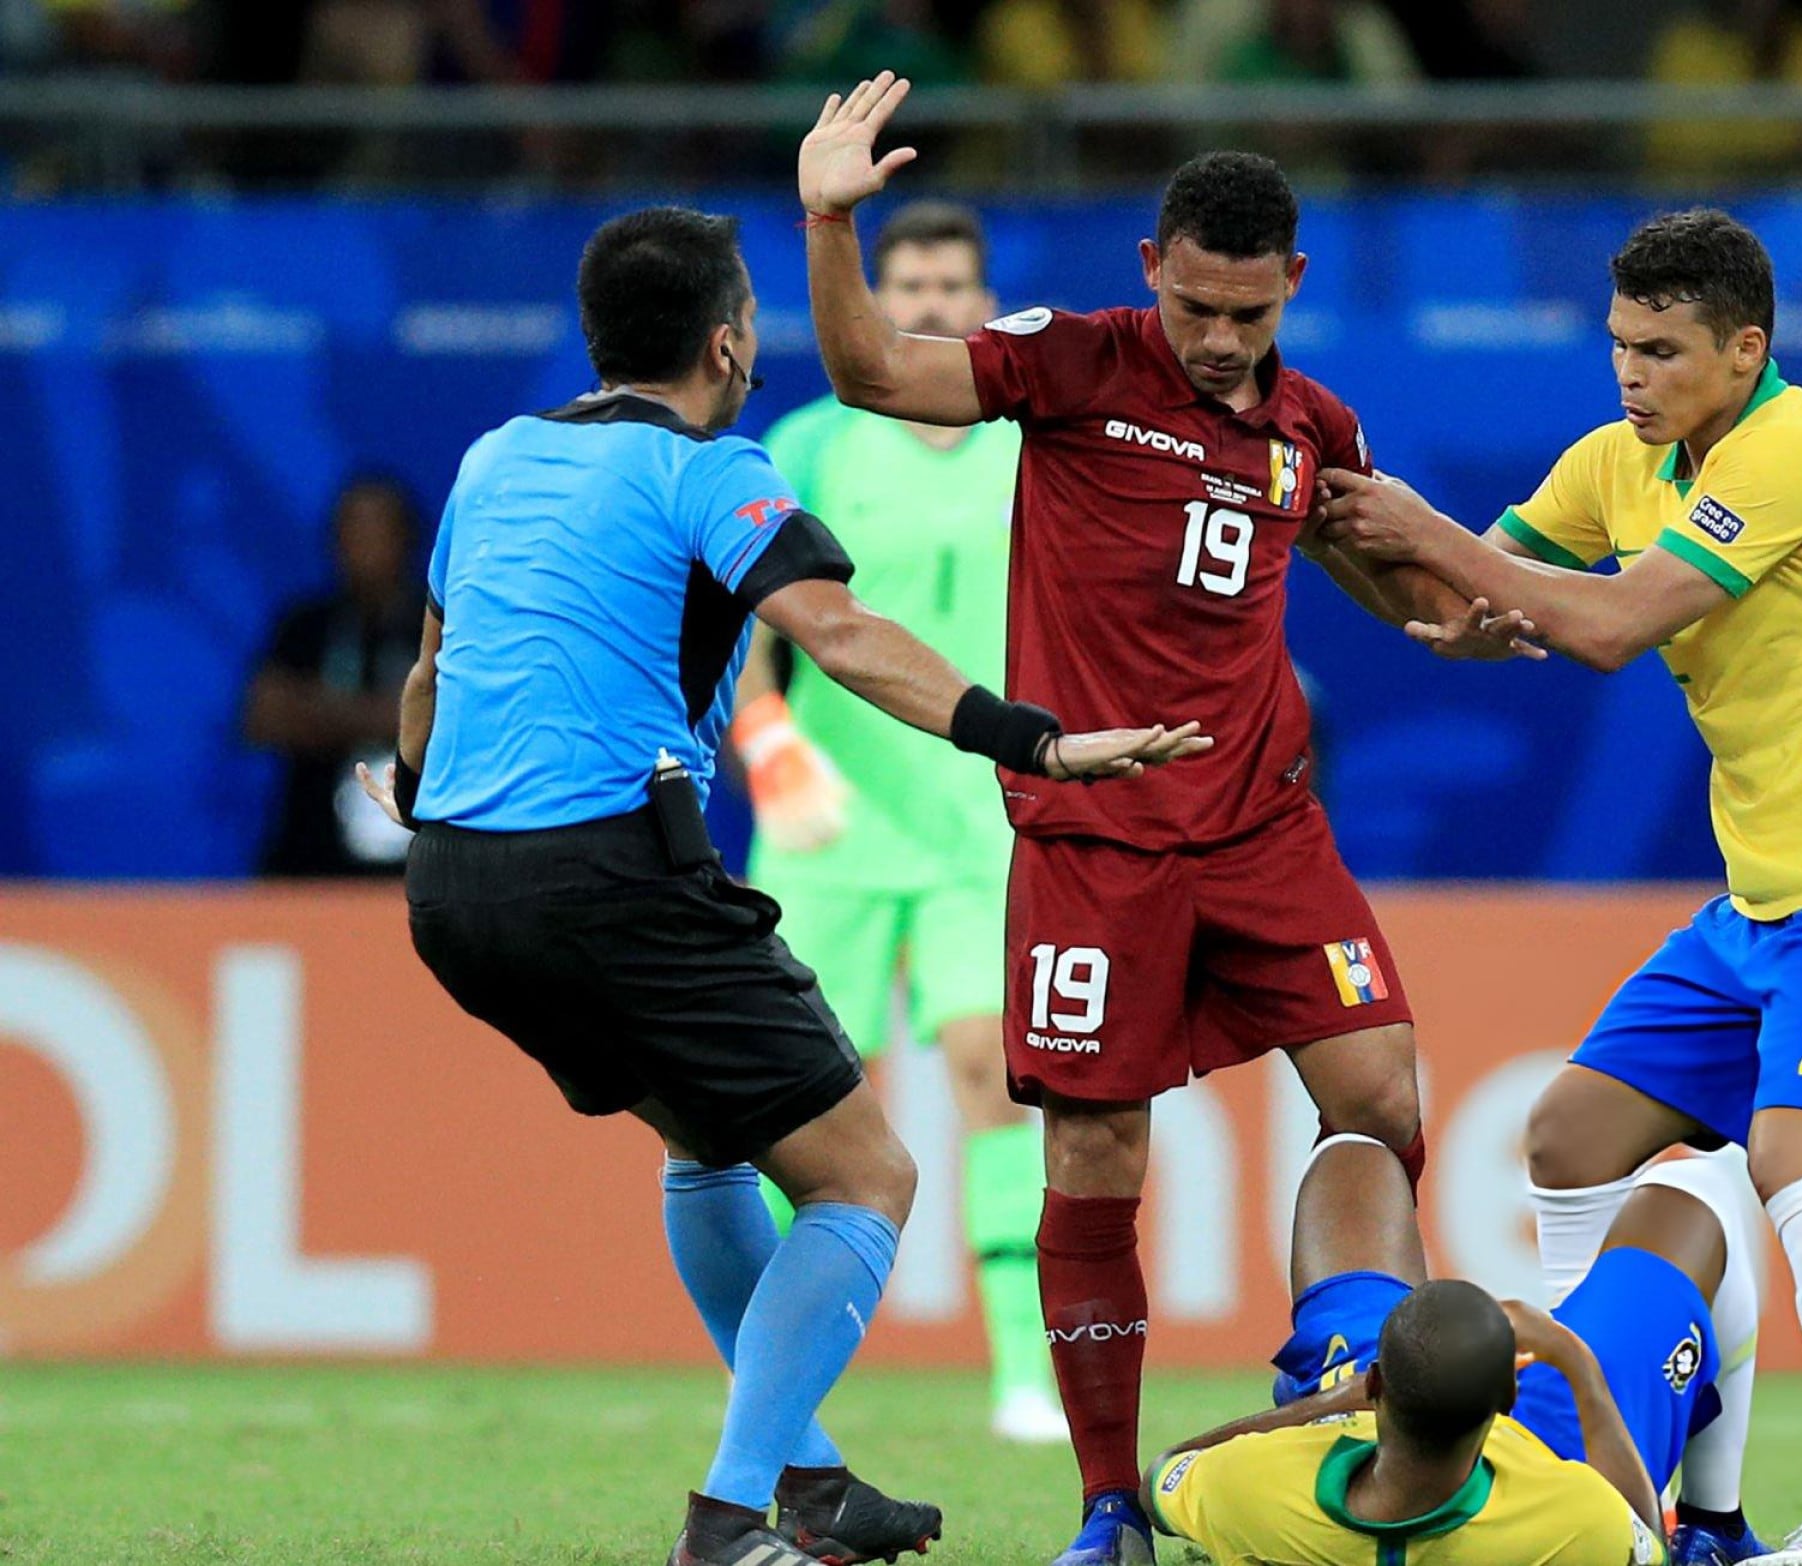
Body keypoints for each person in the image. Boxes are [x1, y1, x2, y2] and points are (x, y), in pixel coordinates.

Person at [356, 203, 1204, 1566]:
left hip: (453, 888)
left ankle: (811, 1478)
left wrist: (412, 787)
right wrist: (1032, 740)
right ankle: (730, 1517)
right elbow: (840, 635)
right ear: (728, 342)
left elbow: (429, 675)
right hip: (613, 876)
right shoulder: (719, 467)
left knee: (709, 1146)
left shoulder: (494, 455)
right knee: (866, 1175)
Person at [795, 73, 1519, 1566]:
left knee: (1382, 1094)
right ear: (1151, 271)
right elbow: (867, 371)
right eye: (1195, 306)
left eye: (1248, 312)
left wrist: (1443, 619)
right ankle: (1108, 1504)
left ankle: (1338, 1384)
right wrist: (828, 221)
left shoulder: (1312, 423)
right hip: (1094, 838)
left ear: (1292, 284)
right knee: (1092, 1158)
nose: (1220, 338)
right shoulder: (1071, 361)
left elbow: (1349, 554)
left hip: (1263, 832)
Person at [1315, 207, 1802, 1566]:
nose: (1633, 376)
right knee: (1569, 1138)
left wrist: (1427, 526)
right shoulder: (1614, 462)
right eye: (1621, 347)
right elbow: (1456, 614)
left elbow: (1609, 624)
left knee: (1795, 1158)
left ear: (1746, 349)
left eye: (1664, 352)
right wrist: (1313, 516)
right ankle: (1682, 1506)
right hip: (1762, 905)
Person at [733, 198, 1066, 1444]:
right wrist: (764, 739)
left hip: (984, 820)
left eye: (950, 287)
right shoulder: (813, 442)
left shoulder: (1033, 445)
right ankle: (762, 1375)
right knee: (799, 1102)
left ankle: (1025, 1375)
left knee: (996, 1076)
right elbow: (747, 616)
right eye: (909, 287)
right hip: (830, 820)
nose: (930, 305)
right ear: (880, 301)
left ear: (984, 305)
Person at [1140, 1134, 1767, 1566]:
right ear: (1508, 1395)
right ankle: (1716, 1523)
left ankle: (1345, 1369)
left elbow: (1162, 1476)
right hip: (1555, 1447)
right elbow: (1643, 1544)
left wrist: (1329, 1402)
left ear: (1377, 1384)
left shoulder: (1250, 1487)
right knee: (1696, 1187)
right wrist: (1577, 1364)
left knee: (1356, 1150)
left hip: (1339, 1433)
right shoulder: (1573, 1519)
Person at [246, 473, 428, 878]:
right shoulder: (304, 626)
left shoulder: (441, 628)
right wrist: (401, 715)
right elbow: (264, 718)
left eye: (378, 529)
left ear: (408, 537)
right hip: (313, 863)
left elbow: (463, 722)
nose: (364, 543)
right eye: (352, 529)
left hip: (422, 870)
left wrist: (320, 713)